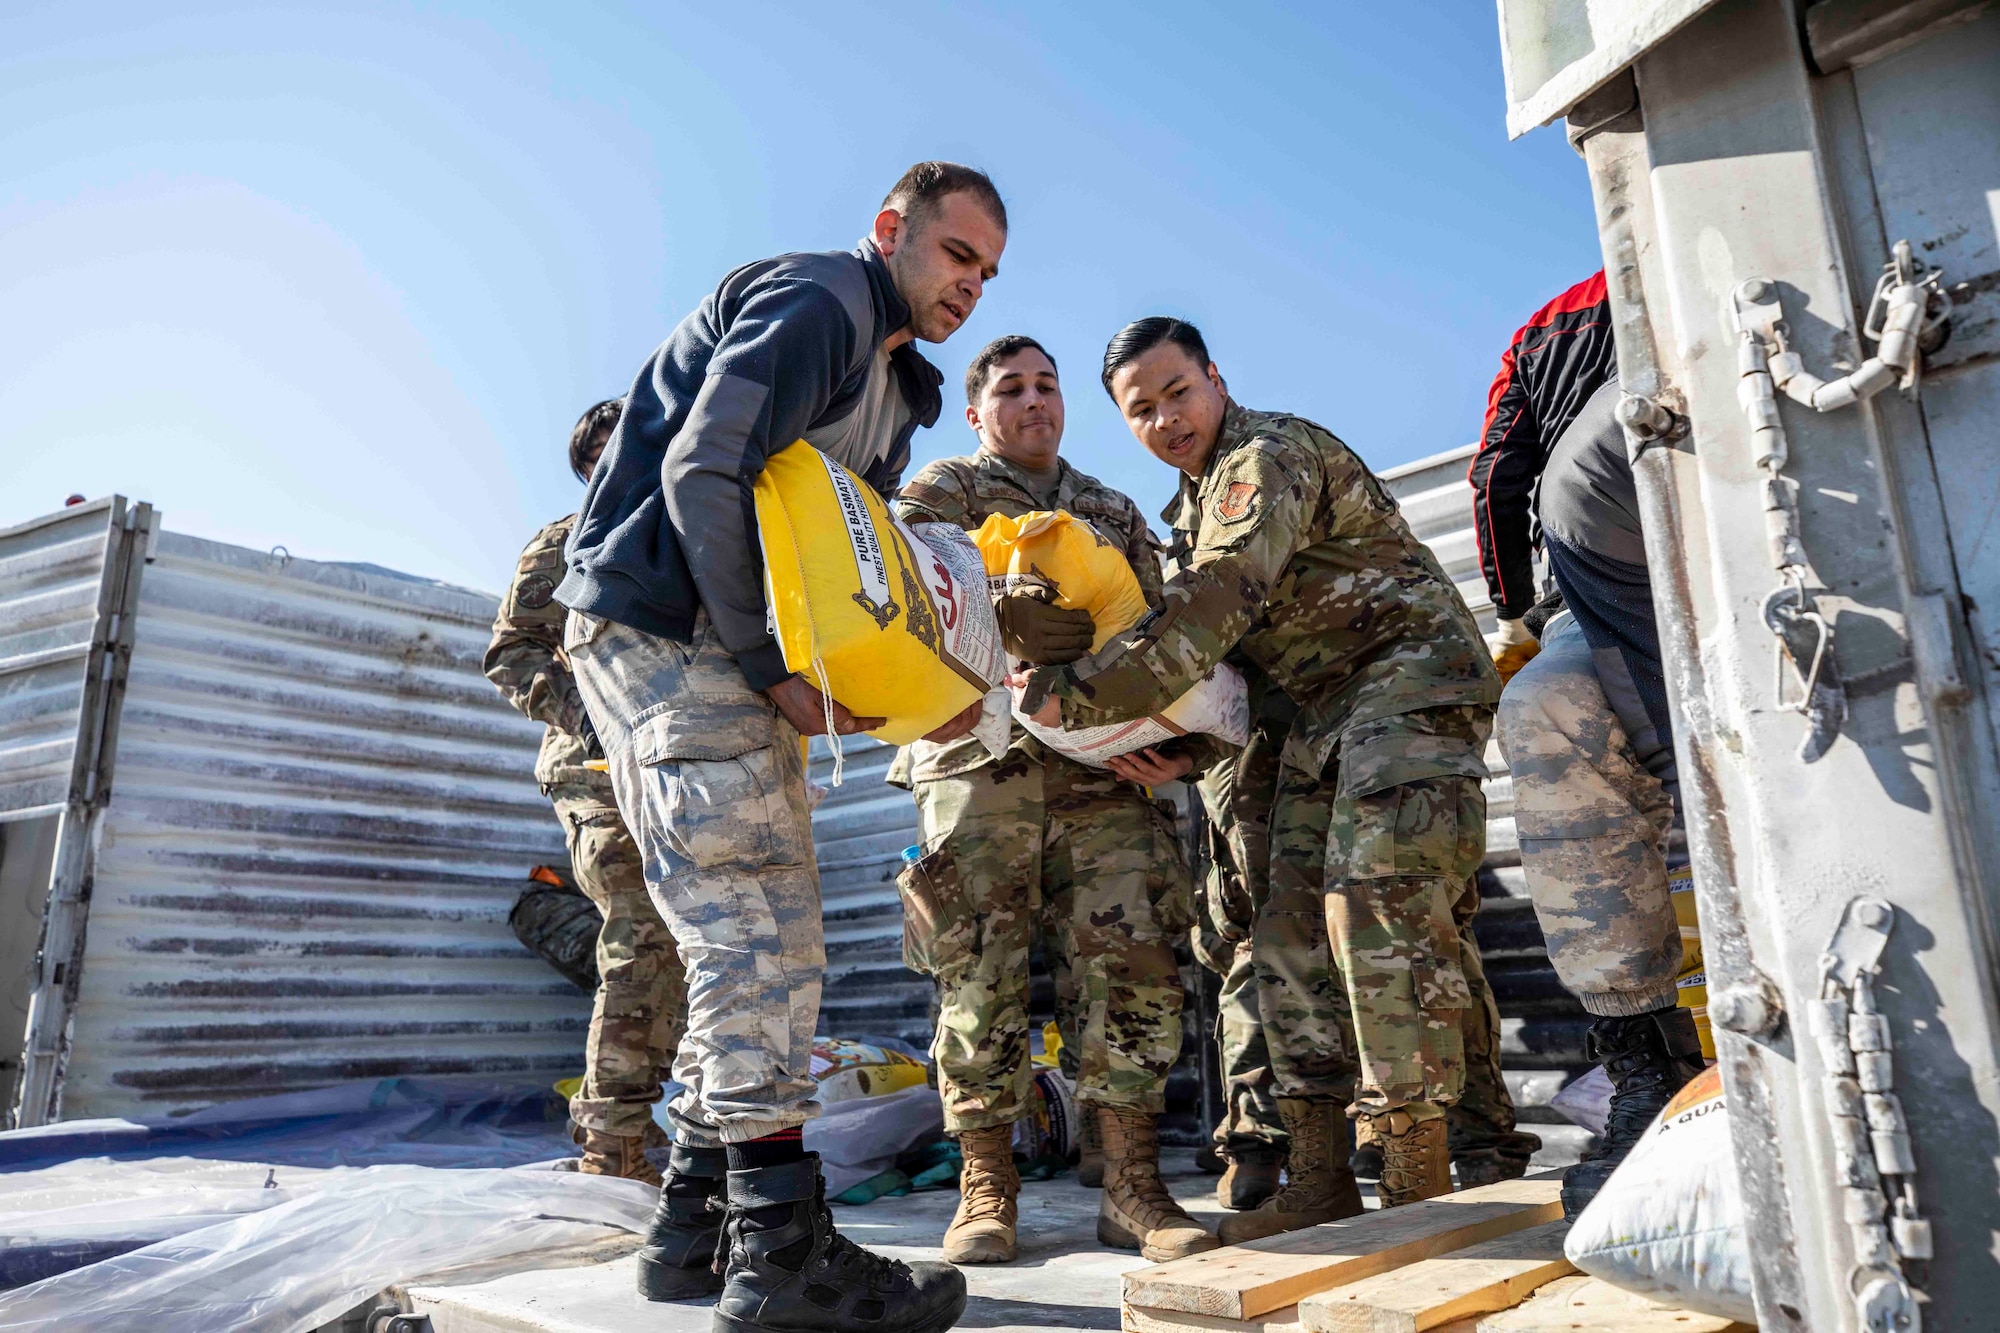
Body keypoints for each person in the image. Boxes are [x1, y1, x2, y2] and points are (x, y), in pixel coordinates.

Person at [555, 162, 1004, 1331]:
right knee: (757, 931)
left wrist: (913, 697)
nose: (970, 287)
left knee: (750, 928)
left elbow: (851, 575)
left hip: (716, 643)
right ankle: (781, 1254)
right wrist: (767, 667)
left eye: (987, 273)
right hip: (672, 628)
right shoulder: (822, 303)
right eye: (956, 255)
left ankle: (693, 1224)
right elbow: (702, 466)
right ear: (890, 230)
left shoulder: (899, 389)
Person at [1020, 317, 1502, 1222]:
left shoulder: (1261, 459)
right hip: (1312, 719)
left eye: (1179, 393)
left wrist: (1069, 699)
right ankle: (1319, 1176)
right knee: (1281, 934)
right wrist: (1187, 749)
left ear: (1216, 379)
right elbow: (1239, 674)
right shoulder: (1191, 506)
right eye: (1142, 410)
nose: (1166, 420)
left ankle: (1416, 1177)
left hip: (1405, 683)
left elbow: (1209, 614)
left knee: (1374, 904)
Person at [887, 334, 1215, 1265]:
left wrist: (1180, 740)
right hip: (975, 764)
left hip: (1102, 771)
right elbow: (907, 598)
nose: (1035, 402)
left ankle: (1134, 1184)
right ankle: (986, 1185)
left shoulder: (1110, 509)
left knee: (1131, 959)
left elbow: (1168, 636)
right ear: (976, 409)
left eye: (1048, 386)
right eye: (1011, 388)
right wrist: (994, 612)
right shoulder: (942, 490)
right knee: (974, 968)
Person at [1495, 373, 1704, 1220]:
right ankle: (1646, 1060)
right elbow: (1497, 479)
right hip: (1613, 579)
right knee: (1548, 704)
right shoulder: (1563, 346)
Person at [486, 398, 689, 1188]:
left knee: (699, 943)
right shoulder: (562, 545)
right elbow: (511, 653)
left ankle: (668, 1124)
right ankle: (614, 1139)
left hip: (681, 765)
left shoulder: (698, 541)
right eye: (609, 454)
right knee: (640, 925)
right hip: (595, 770)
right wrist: (589, 718)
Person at [1467, 271, 1616, 683]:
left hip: (1579, 558)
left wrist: (1513, 620)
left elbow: (1494, 480)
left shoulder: (1536, 332)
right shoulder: (1680, 270)